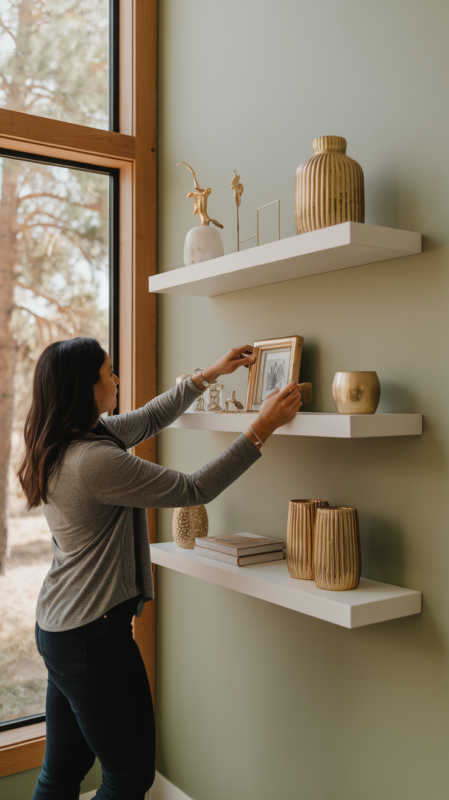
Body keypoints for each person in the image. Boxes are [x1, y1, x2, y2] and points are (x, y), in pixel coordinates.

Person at [18, 337, 302, 800]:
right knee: (129, 779)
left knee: (61, 774)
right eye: (109, 373)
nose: (116, 379)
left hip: (61, 629)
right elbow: (194, 488)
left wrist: (209, 374)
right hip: (94, 636)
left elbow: (150, 418)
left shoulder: (68, 440)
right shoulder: (94, 461)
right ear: (84, 388)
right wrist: (260, 429)